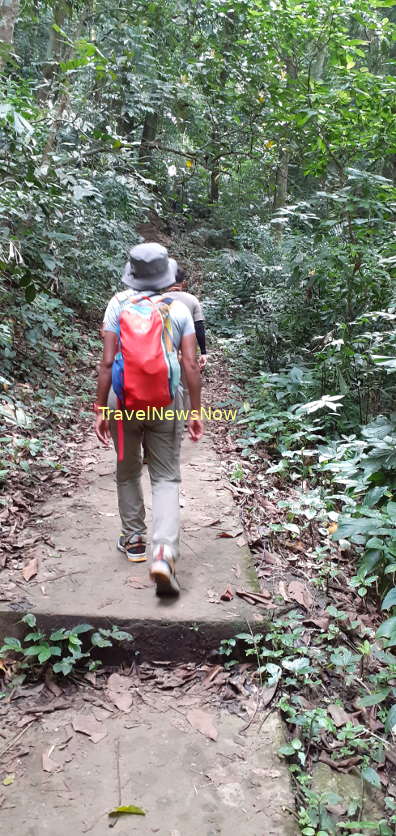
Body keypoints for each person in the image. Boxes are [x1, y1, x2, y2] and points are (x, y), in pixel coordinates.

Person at [94, 242, 204, 597]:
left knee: (127, 471)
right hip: (166, 402)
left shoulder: (117, 304)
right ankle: (163, 552)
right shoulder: (181, 308)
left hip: (123, 401)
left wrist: (100, 408)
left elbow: (108, 362)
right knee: (167, 476)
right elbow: (189, 364)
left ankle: (135, 540)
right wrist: (195, 411)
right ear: (166, 275)